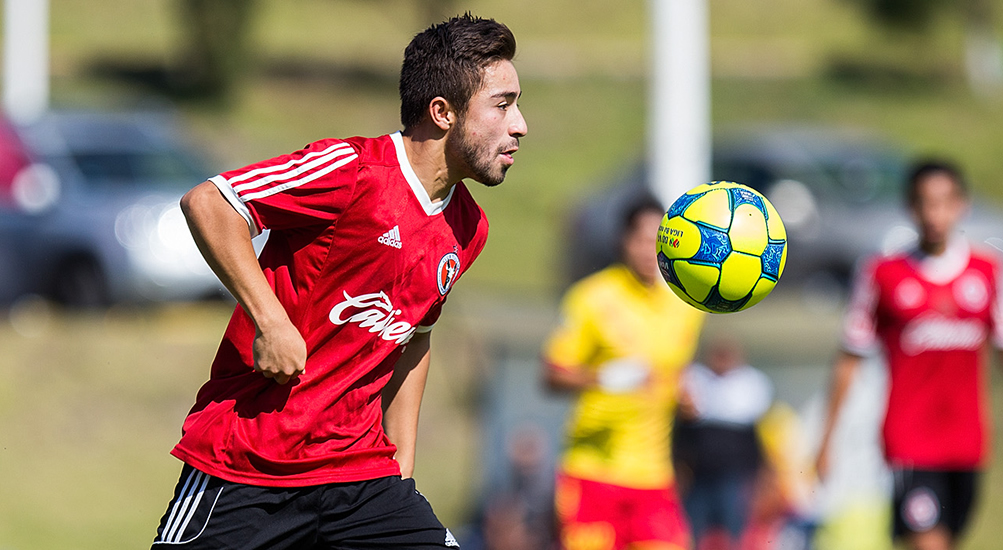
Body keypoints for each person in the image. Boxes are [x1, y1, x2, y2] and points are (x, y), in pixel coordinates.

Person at [149, 14, 527, 549]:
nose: (520, 125)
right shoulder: (352, 170)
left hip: (361, 479)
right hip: (251, 465)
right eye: (503, 104)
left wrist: (401, 472)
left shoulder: (468, 228)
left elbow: (412, 340)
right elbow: (211, 203)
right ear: (442, 112)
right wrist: (271, 321)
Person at [815, 159, 1003, 550]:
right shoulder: (882, 274)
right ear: (911, 207)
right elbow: (850, 359)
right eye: (925, 203)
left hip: (967, 441)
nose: (935, 214)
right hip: (909, 441)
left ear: (961, 205)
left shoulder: (987, 272)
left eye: (944, 202)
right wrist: (826, 440)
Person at [542, 196, 708, 550]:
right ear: (624, 241)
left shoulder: (684, 306)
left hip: (654, 477)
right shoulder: (591, 298)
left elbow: (674, 374)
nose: (651, 251)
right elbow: (552, 375)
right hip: (593, 473)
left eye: (660, 241)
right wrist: (603, 378)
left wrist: (685, 397)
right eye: (643, 241)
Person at [672, 337, 773, 550]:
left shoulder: (751, 385)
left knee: (735, 535)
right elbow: (683, 435)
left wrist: (763, 478)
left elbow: (756, 439)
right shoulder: (695, 381)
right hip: (697, 477)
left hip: (734, 477)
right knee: (690, 533)